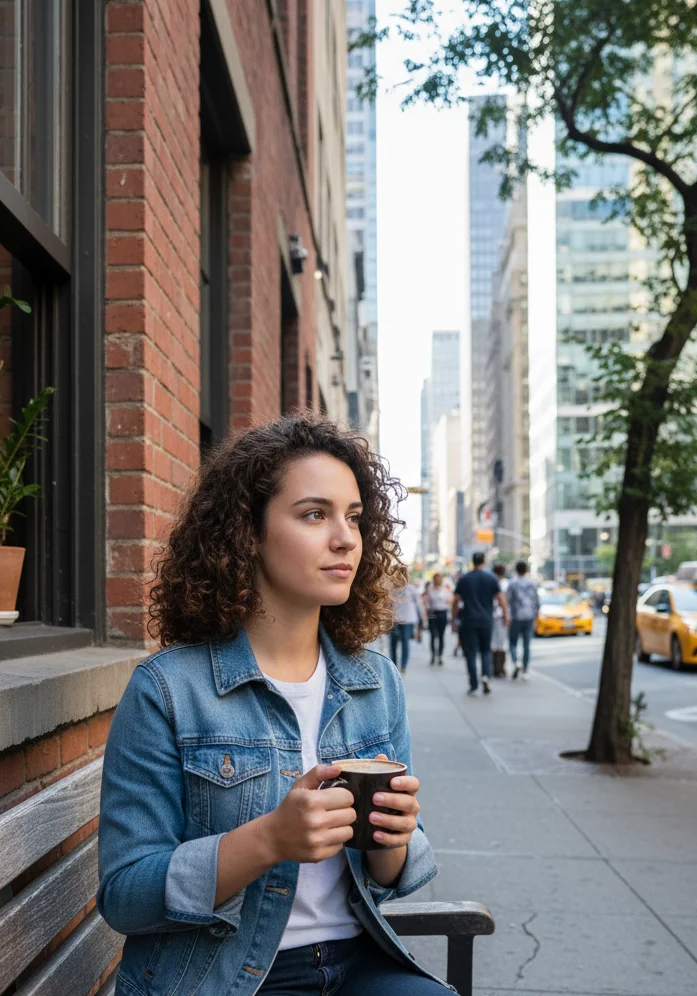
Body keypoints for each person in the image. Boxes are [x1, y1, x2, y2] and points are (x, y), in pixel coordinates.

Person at [98, 415, 450, 996]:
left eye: (355, 518)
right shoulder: (168, 691)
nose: (345, 538)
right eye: (315, 514)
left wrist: (395, 838)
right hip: (221, 977)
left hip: (356, 963)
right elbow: (126, 896)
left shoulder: (375, 682)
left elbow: (383, 881)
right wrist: (268, 841)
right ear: (249, 533)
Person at [453, 551, 507, 695]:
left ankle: (473, 684)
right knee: (485, 650)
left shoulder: (465, 578)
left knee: (470, 652)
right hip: (486, 620)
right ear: (484, 561)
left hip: (468, 620)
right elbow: (501, 598)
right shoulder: (491, 578)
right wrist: (506, 616)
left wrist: (453, 619)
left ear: (473, 561)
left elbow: (456, 600)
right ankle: (486, 676)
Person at [507, 560, 540, 680]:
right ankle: (525, 669)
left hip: (516, 617)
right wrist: (536, 617)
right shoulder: (532, 583)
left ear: (516, 570)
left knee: (512, 643)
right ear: (526, 570)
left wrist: (508, 616)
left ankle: (516, 662)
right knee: (527, 644)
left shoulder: (512, 583)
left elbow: (508, 601)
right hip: (529, 617)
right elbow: (536, 602)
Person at [389, 566, 423, 674]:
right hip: (395, 620)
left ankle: (403, 665)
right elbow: (387, 605)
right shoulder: (391, 589)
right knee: (394, 643)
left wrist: (420, 621)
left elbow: (418, 605)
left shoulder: (411, 589)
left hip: (407, 620)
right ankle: (394, 665)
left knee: (404, 643)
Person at [422, 572, 452, 666]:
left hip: (442, 612)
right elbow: (426, 602)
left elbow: (450, 601)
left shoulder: (445, 589)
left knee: (441, 635)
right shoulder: (430, 589)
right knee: (432, 635)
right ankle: (433, 655)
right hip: (433, 613)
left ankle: (440, 655)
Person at [490, 564, 510, 677]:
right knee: (501, 642)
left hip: (495, 615)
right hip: (501, 615)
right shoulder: (506, 584)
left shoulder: (493, 583)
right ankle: (500, 668)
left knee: (495, 642)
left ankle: (496, 668)